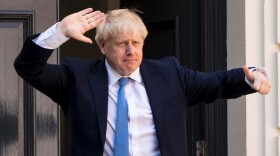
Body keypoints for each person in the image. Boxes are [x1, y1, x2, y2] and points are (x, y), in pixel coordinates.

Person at [14, 8, 271, 156]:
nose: (131, 51)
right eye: (122, 43)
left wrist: (251, 77)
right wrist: (59, 32)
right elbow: (28, 67)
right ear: (103, 46)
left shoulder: (170, 74)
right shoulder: (76, 77)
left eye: (136, 43)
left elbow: (217, 83)